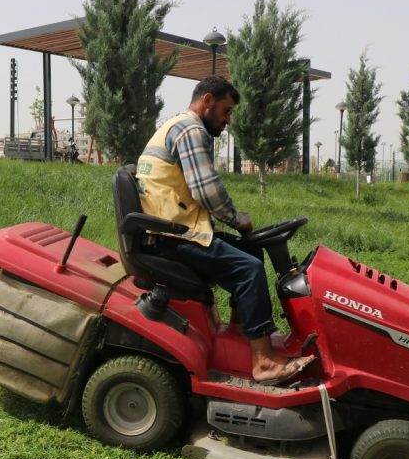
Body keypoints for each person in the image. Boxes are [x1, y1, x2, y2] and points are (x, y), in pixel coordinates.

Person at [134, 75, 314, 383]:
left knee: (252, 249)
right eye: (226, 111)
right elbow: (207, 190)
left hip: (171, 229)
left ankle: (241, 334)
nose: (227, 120)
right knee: (250, 269)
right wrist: (237, 218)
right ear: (207, 101)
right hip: (172, 236)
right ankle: (263, 363)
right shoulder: (190, 129)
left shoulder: (174, 126)